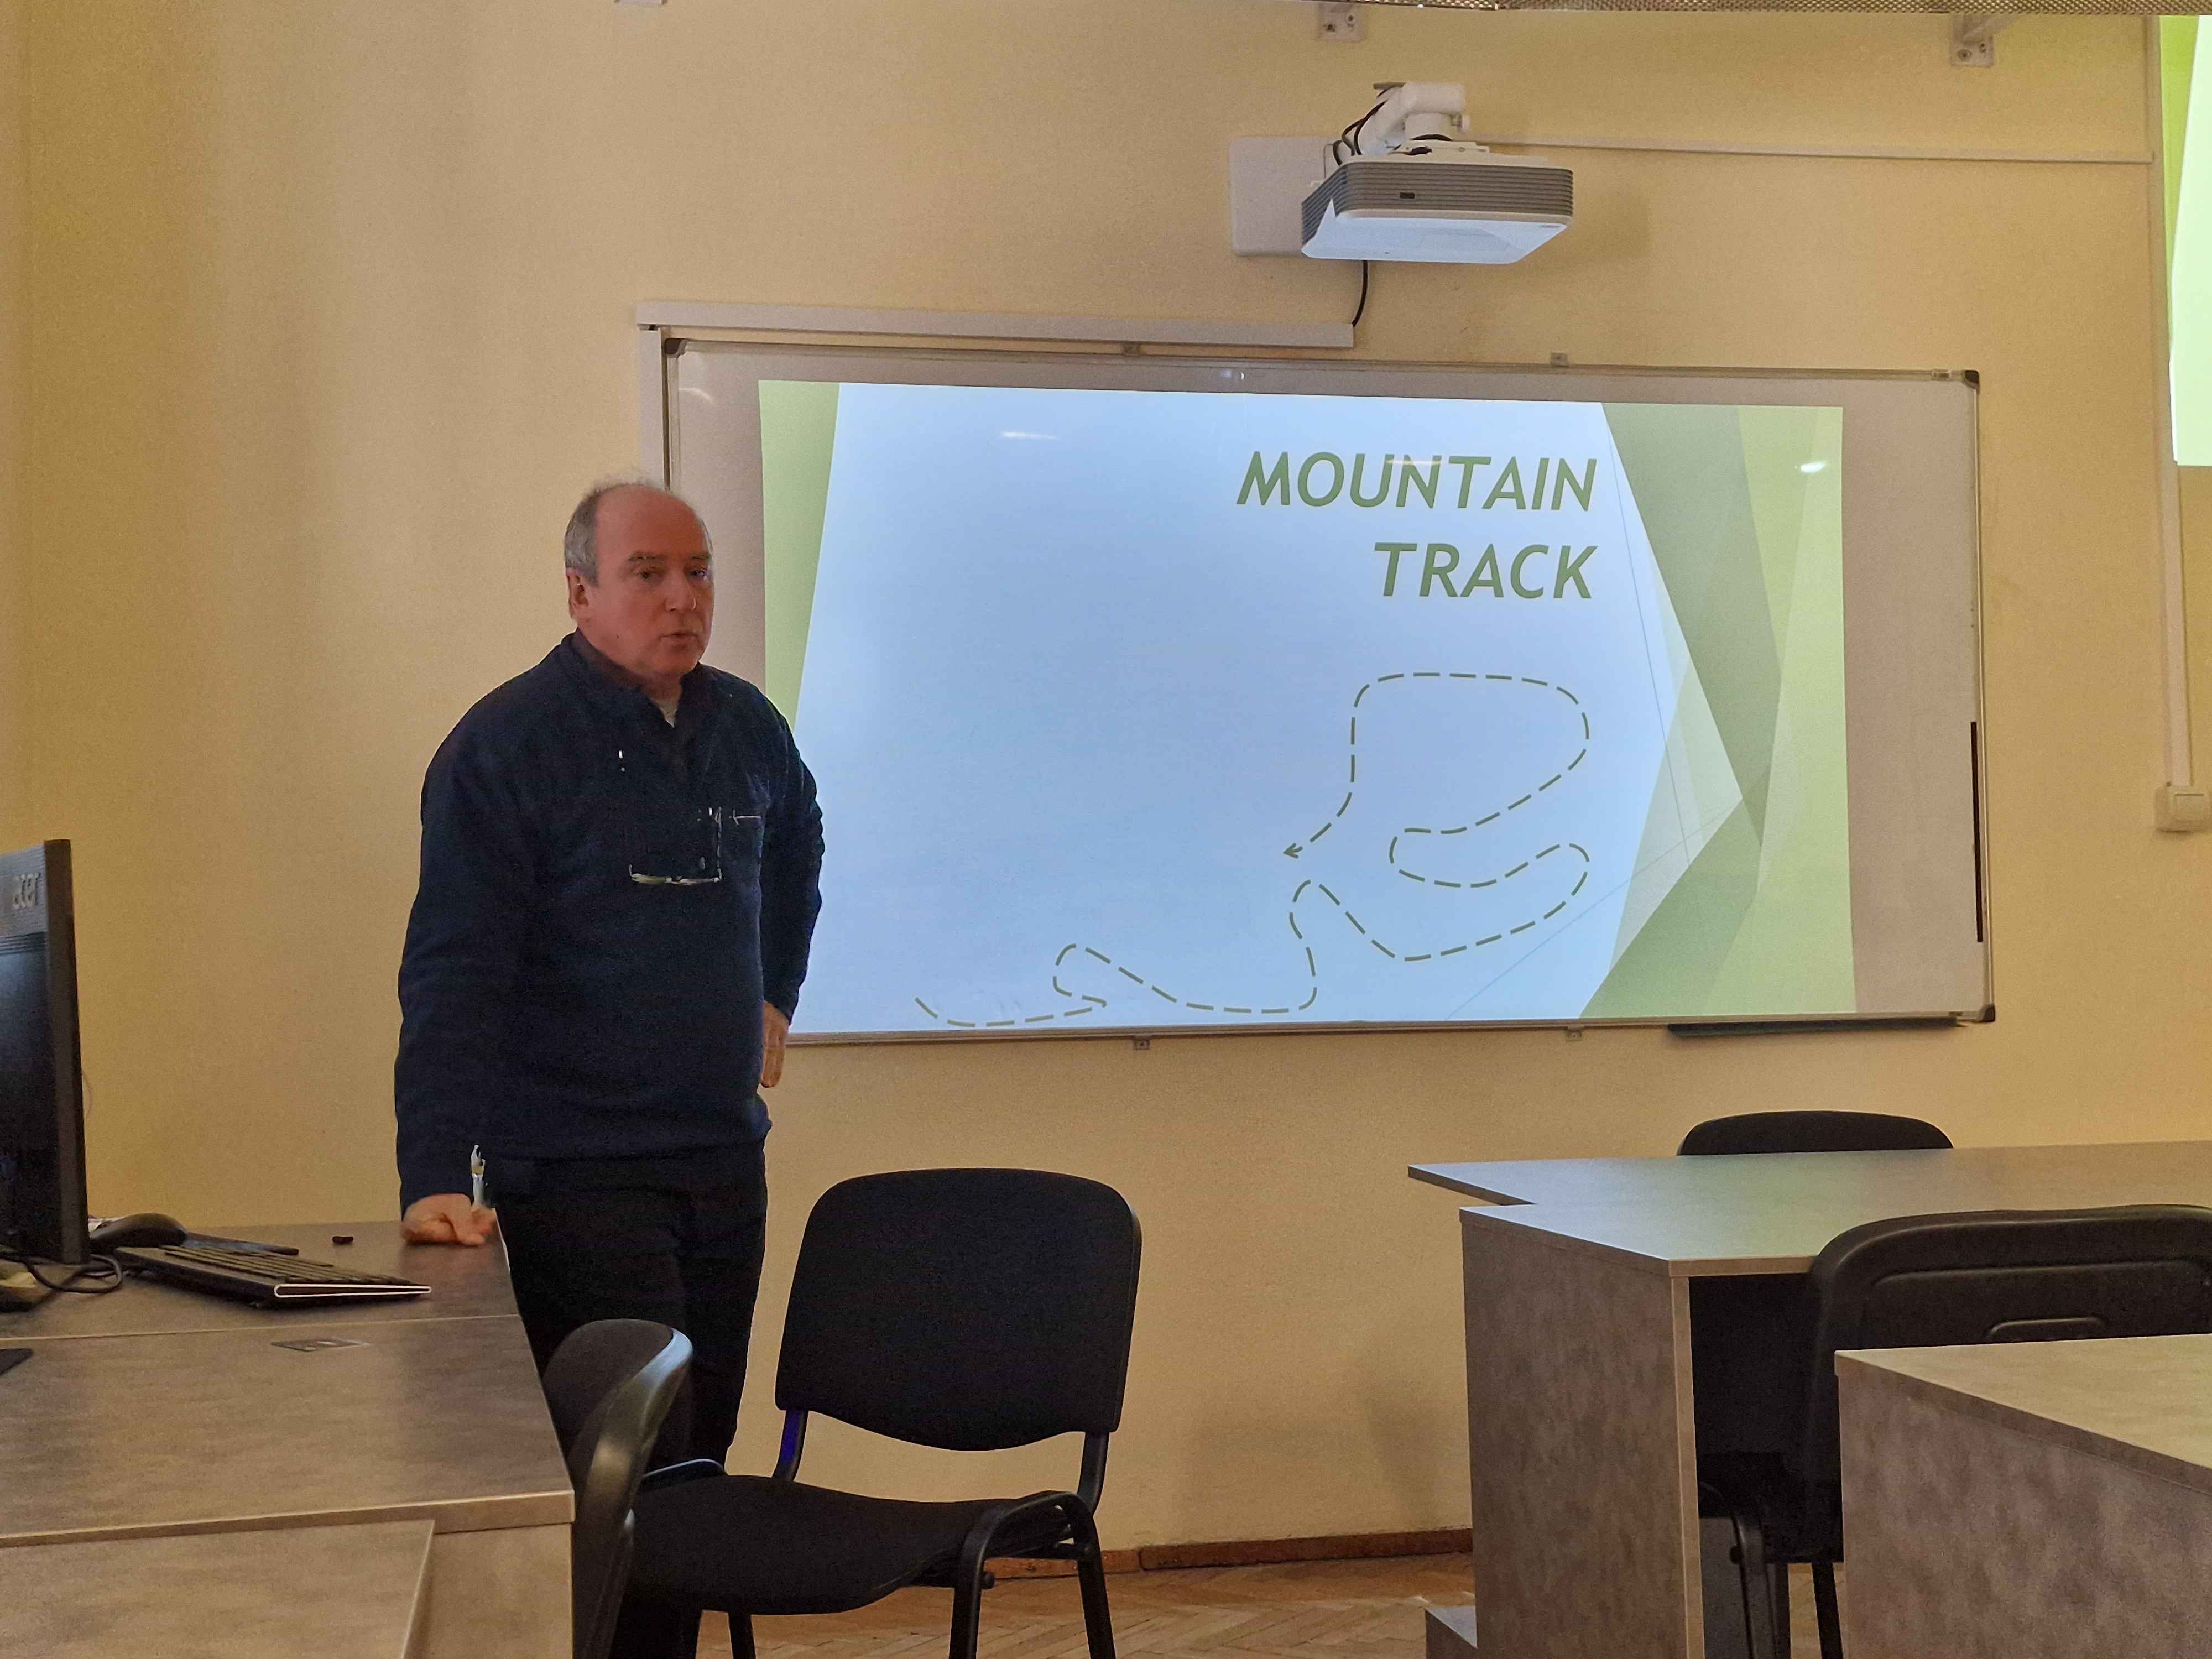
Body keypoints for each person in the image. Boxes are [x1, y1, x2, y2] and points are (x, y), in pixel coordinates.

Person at [394, 479, 823, 1467]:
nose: (683, 598)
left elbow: (800, 838)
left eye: (698, 572)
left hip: (723, 1158)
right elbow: (454, 971)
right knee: (628, 1463)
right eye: (648, 574)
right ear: (581, 592)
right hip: (577, 1175)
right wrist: (432, 1173)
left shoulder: (746, 724)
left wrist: (776, 990)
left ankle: (683, 1578)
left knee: (704, 1452)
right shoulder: (507, 744)